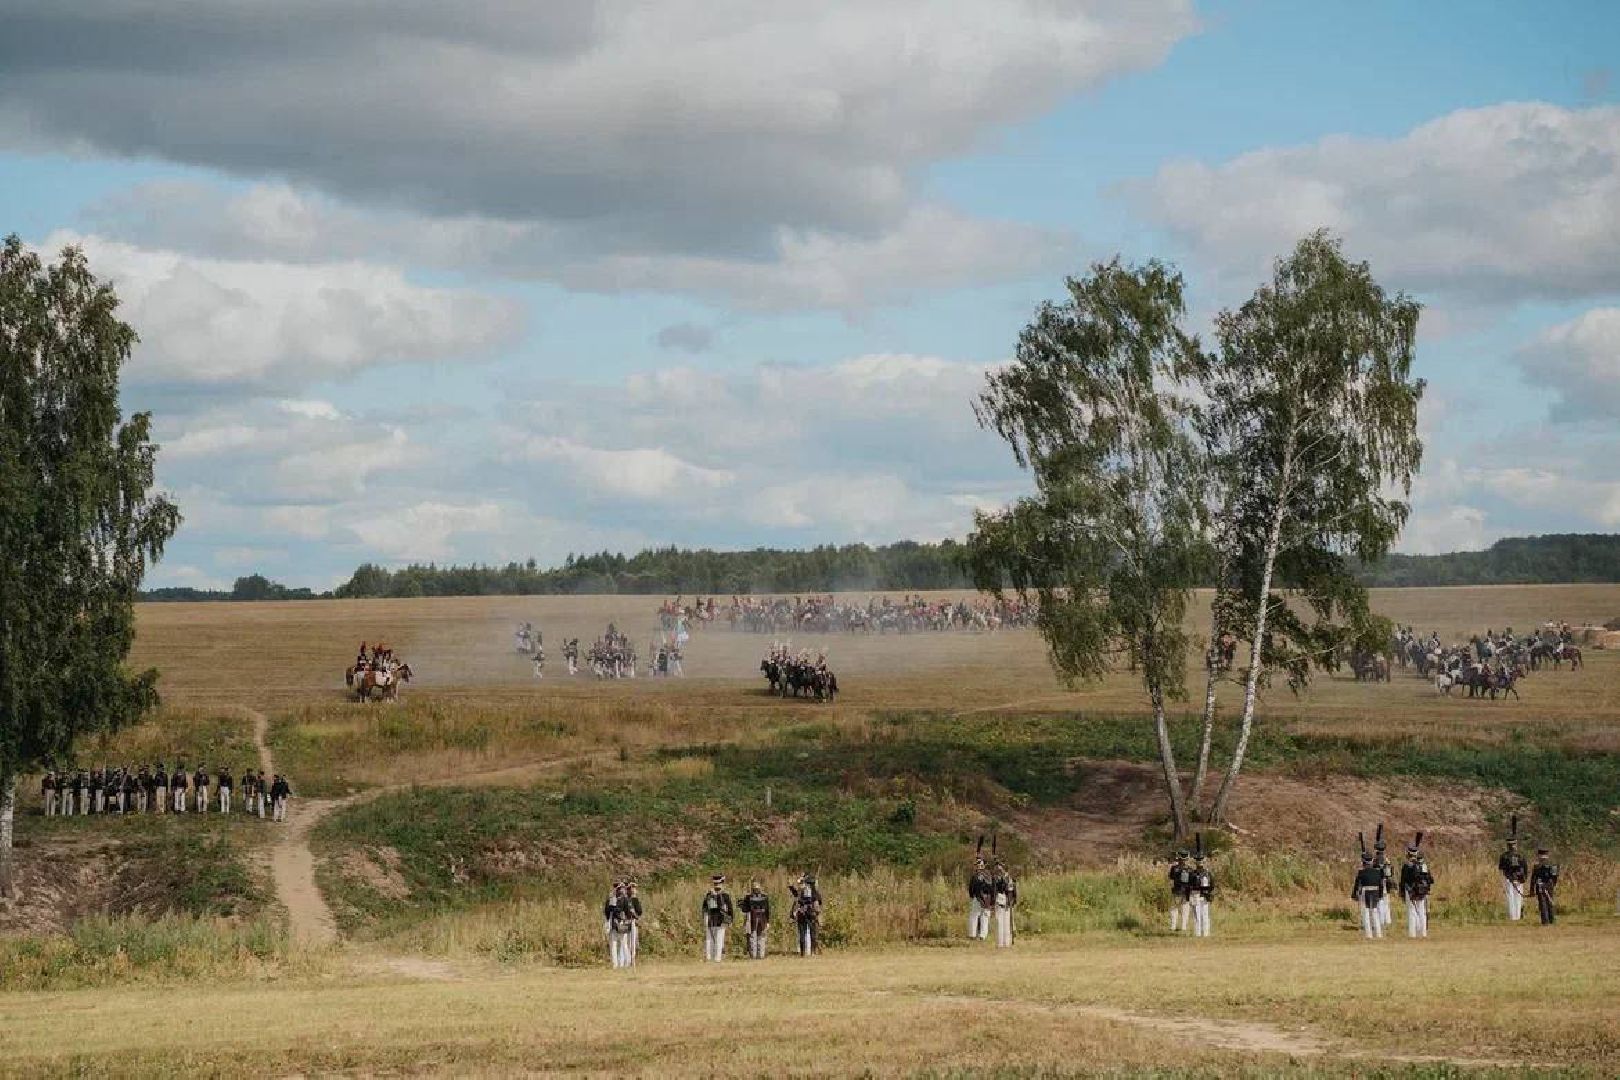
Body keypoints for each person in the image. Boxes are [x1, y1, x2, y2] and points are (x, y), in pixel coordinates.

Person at [1399, 839, 1434, 939]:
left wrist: (1402, 892)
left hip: (1411, 891)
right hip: (1422, 891)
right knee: (1422, 912)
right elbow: (1430, 879)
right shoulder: (1423, 865)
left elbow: (1403, 880)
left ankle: (1412, 934)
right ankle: (1423, 933)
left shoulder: (1407, 866)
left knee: (1412, 912)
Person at [1499, 823, 1528, 922]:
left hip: (1511, 879)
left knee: (1511, 898)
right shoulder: (1520, 855)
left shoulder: (1504, 856)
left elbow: (1502, 869)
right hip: (1516, 879)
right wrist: (1523, 879)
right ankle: (1517, 916)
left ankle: (1513, 917)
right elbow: (1525, 868)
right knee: (1517, 898)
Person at [1353, 851, 1385, 939]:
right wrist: (1380, 895)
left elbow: (1357, 884)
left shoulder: (1361, 872)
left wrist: (1354, 894)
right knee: (1375, 911)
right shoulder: (1377, 872)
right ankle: (1378, 933)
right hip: (1375, 891)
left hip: (1365, 892)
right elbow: (1381, 884)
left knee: (1366, 912)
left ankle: (1369, 934)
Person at [701, 875, 734, 961]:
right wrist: (705, 918)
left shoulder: (724, 895)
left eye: (718, 884)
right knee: (710, 939)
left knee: (719, 939)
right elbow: (705, 908)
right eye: (716, 884)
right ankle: (709, 957)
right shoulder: (709, 895)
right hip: (711, 919)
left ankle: (717, 958)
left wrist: (730, 919)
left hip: (721, 920)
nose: (717, 886)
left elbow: (730, 908)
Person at [605, 882, 635, 969]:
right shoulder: (616, 899)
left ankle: (624, 962)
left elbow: (608, 911)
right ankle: (617, 964)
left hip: (619, 923)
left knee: (621, 943)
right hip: (616, 923)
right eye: (620, 889)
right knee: (617, 944)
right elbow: (608, 911)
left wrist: (629, 917)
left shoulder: (617, 899)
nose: (621, 890)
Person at [791, 873, 823, 956]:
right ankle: (812, 952)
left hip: (802, 913)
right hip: (811, 913)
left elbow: (796, 899)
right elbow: (819, 902)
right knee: (812, 933)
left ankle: (803, 953)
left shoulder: (801, 892)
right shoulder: (814, 892)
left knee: (803, 933)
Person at [739, 879, 771, 959]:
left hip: (761, 918)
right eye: (755, 888)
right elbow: (745, 909)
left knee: (760, 936)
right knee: (754, 936)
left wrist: (767, 921)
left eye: (757, 887)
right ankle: (754, 955)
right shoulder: (749, 897)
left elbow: (767, 909)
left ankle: (760, 955)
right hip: (753, 918)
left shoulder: (764, 897)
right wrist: (742, 905)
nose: (756, 889)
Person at [990, 861, 1017, 948]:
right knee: (1000, 923)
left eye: (1000, 868)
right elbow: (994, 891)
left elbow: (1013, 891)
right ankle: (1000, 943)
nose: (999, 870)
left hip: (1007, 902)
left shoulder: (1009, 879)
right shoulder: (996, 879)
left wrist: (1013, 901)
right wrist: (993, 903)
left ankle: (1006, 942)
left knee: (1006, 923)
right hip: (1000, 901)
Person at [1530, 849, 1560, 926]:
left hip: (1540, 885)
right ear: (1547, 855)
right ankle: (1551, 920)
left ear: (1539, 855)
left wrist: (1532, 890)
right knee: (1550, 902)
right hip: (1549, 885)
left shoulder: (1537, 866)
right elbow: (1555, 877)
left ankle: (1545, 921)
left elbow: (1533, 879)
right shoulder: (1553, 864)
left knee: (1543, 903)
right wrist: (1553, 885)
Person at [1167, 849, 1194, 934]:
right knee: (1184, 909)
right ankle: (1183, 926)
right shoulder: (1190, 869)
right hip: (1185, 891)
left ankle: (1174, 926)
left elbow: (1171, 878)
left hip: (1178, 890)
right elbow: (1192, 881)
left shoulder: (1174, 868)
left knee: (1175, 908)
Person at [968, 855, 994, 940]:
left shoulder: (988, 874)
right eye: (977, 863)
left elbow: (992, 887)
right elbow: (971, 887)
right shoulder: (975, 875)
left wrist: (991, 900)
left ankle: (982, 935)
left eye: (980, 863)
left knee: (984, 917)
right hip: (977, 898)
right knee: (974, 915)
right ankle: (972, 934)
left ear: (984, 864)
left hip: (986, 898)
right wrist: (972, 896)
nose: (978, 865)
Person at [1190, 848, 1214, 938]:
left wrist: (1208, 893)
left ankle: (1205, 934)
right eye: (1198, 860)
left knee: (1205, 915)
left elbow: (1212, 884)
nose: (1200, 862)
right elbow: (1189, 885)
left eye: (1201, 860)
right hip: (1196, 895)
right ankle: (1198, 933)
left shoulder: (1207, 873)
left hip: (1204, 896)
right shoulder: (1193, 873)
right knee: (1197, 916)